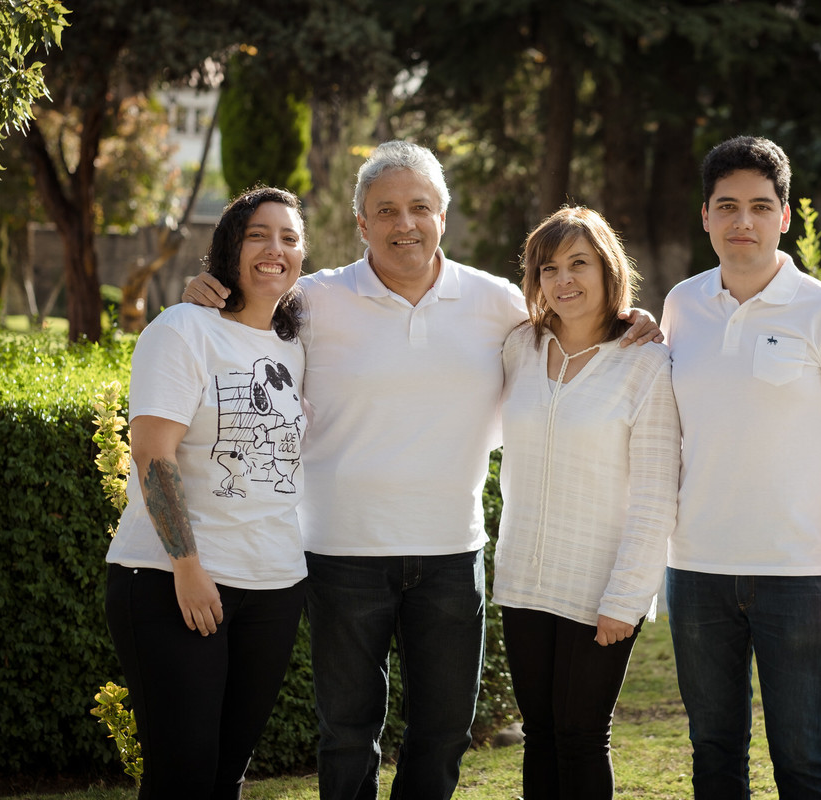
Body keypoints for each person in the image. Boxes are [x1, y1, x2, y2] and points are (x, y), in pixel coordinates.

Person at [181, 141, 662, 800]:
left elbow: (579, 316)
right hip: (340, 554)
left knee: (441, 735)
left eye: (419, 207)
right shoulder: (313, 301)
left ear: (443, 214)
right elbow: (235, 332)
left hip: (449, 554)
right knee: (348, 734)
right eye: (386, 211)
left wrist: (634, 319)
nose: (404, 223)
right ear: (361, 224)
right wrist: (204, 295)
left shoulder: (499, 306)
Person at [661, 136, 821, 799]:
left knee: (804, 764)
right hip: (696, 573)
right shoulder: (681, 308)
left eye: (761, 207)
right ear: (704, 215)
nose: (743, 223)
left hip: (802, 579)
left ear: (785, 217)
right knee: (714, 758)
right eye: (727, 206)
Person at [105, 186, 309, 799]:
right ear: (228, 247)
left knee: (226, 774)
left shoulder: (297, 342)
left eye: (290, 238)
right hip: (172, 579)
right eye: (258, 235)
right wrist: (188, 568)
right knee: (183, 774)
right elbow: (152, 453)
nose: (276, 249)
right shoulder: (182, 329)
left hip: (273, 583)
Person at [492, 207, 680, 799]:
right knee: (540, 734)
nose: (563, 279)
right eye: (549, 268)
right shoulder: (520, 345)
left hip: (601, 586)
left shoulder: (646, 362)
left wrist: (627, 596)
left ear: (608, 269)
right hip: (523, 579)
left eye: (579, 263)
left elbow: (655, 495)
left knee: (580, 736)